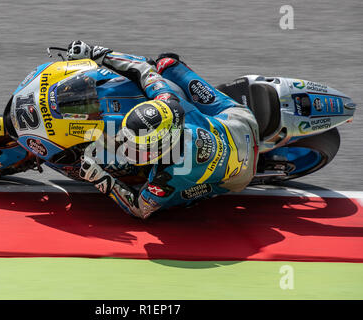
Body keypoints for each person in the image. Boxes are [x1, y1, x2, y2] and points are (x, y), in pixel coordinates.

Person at [66, 40, 259, 219]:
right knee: (166, 62)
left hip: (240, 173)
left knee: (177, 201)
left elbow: (140, 209)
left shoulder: (170, 173)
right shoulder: (166, 100)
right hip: (235, 119)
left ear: (163, 147)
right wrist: (98, 54)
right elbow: (143, 68)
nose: (126, 149)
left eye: (136, 147)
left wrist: (101, 179)